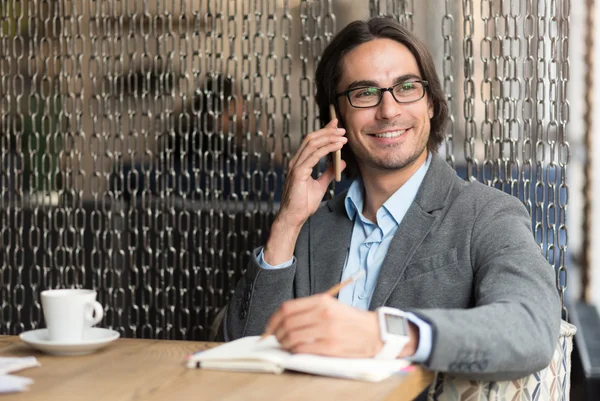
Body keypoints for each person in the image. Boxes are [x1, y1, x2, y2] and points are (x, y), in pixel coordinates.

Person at [219, 16, 561, 381]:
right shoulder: (311, 228)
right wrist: (286, 225)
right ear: (336, 118)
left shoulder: (486, 215)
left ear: (430, 103)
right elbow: (243, 351)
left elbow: (530, 327)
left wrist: (387, 334)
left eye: (407, 87)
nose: (389, 110)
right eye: (365, 93)